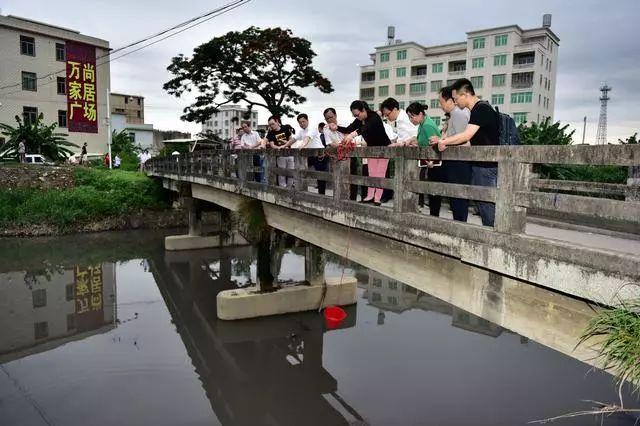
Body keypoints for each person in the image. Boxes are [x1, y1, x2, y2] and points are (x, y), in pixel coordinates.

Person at [431, 78, 499, 227]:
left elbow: (465, 136)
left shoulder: (481, 109)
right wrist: (447, 142)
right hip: (482, 165)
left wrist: (444, 141)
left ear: (466, 94)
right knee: (483, 204)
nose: (455, 102)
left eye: (456, 99)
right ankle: (491, 237)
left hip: (487, 167)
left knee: (487, 205)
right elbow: (470, 142)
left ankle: (493, 240)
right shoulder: (477, 110)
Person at [335, 100, 392, 206]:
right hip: (371, 149)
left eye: (357, 114)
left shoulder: (374, 117)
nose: (357, 117)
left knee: (380, 174)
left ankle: (377, 198)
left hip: (384, 148)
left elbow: (365, 128)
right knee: (371, 173)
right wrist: (336, 127)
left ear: (364, 110)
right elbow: (348, 128)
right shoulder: (359, 119)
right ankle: (370, 196)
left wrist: (352, 135)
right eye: (354, 115)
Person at [435, 85, 472, 222]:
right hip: (456, 163)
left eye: (441, 102)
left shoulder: (458, 114)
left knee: (459, 200)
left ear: (450, 100)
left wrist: (444, 142)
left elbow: (464, 139)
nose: (440, 106)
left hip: (459, 164)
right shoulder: (454, 115)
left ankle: (460, 228)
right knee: (456, 200)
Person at [406, 102, 444, 217]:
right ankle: (434, 215)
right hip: (430, 162)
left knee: (434, 191)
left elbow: (434, 144)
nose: (410, 119)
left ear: (420, 114)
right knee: (432, 191)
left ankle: (434, 217)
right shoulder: (423, 124)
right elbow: (423, 141)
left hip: (434, 163)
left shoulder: (427, 125)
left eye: (412, 116)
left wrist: (432, 160)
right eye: (409, 117)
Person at [324, 107, 366, 201]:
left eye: (331, 117)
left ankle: (352, 200)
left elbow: (348, 136)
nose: (329, 120)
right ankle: (340, 199)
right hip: (338, 156)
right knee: (339, 179)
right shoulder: (326, 128)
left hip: (350, 153)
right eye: (327, 118)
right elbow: (330, 143)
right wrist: (341, 145)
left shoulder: (344, 123)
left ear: (335, 115)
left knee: (352, 177)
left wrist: (343, 144)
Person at [380, 97, 418, 202]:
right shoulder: (399, 119)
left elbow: (416, 134)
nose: (387, 117)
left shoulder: (405, 117)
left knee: (408, 180)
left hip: (411, 152)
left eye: (388, 114)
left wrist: (399, 143)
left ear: (395, 109)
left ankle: (409, 203)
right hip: (404, 152)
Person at [265, 115, 295, 187]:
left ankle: (289, 188)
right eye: (270, 125)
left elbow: (291, 139)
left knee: (291, 173)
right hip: (280, 155)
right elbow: (272, 145)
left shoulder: (285, 128)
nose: (271, 126)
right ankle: (283, 189)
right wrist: (279, 147)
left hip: (289, 153)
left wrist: (286, 143)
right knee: (281, 173)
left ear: (277, 122)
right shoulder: (271, 132)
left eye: (273, 124)